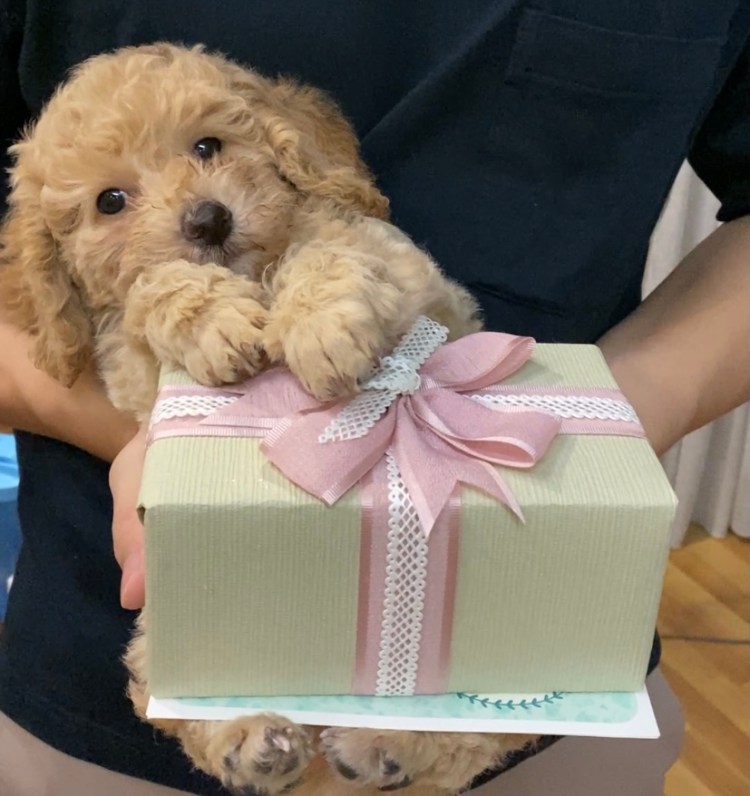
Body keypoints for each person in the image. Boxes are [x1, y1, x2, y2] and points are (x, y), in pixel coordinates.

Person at [0, 0, 748, 794]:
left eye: (209, 146)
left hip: (537, 607)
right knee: (195, 649)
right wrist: (183, 445)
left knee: (502, 689)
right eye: (113, 202)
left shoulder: (324, 220)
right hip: (117, 680)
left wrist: (592, 426)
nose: (196, 205)